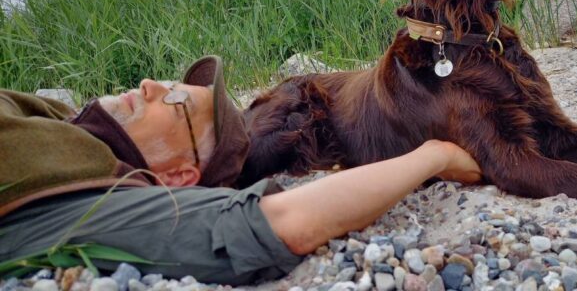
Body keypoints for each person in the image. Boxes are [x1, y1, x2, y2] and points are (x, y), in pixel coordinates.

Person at [0, 56, 481, 285]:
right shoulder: (58, 119)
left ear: (180, 177)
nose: (146, 83)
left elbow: (287, 221)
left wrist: (432, 156)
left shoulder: (106, 197)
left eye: (172, 99)